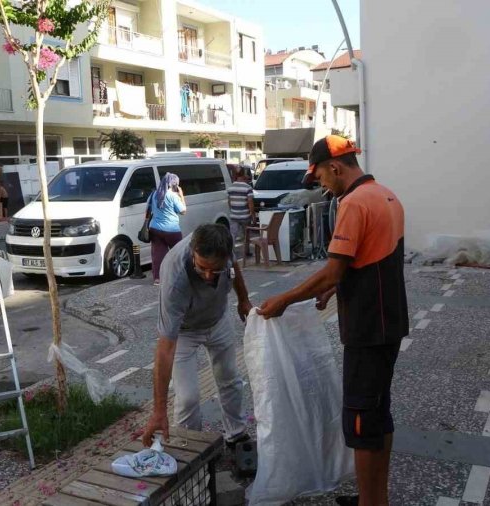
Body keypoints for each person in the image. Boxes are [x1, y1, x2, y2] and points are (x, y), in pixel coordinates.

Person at [257, 136, 408, 506]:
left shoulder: (354, 203)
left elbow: (332, 270)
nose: (321, 183)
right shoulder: (387, 195)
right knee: (377, 415)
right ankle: (375, 497)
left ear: (335, 167)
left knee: (359, 422)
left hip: (367, 329)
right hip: (389, 322)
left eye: (320, 175)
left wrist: (284, 299)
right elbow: (372, 263)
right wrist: (335, 290)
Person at [142, 224, 253, 449]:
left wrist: (243, 298)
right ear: (193, 253)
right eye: (202, 268)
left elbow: (234, 268)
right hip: (185, 331)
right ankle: (189, 446)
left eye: (216, 270)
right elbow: (165, 348)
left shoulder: (224, 245)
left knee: (230, 379)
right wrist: (158, 410)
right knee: (187, 398)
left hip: (218, 319)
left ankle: (236, 433)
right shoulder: (174, 275)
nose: (209, 276)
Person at [147, 173, 187, 285]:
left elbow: (148, 210)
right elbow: (183, 211)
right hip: (172, 230)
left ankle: (158, 279)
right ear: (174, 184)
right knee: (178, 254)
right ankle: (180, 276)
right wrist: (181, 196)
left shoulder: (154, 194)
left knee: (158, 255)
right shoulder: (173, 196)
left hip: (155, 229)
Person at [227, 167, 255, 258]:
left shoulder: (230, 187)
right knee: (246, 235)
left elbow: (229, 201)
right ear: (244, 175)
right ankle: (246, 252)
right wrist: (253, 216)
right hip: (245, 216)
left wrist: (233, 210)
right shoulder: (247, 187)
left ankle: (231, 253)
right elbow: (250, 203)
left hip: (234, 215)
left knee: (233, 235)